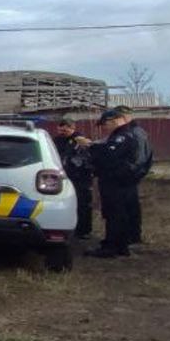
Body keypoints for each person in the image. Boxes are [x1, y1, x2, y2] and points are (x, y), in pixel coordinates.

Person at [82, 107, 152, 258]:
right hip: (121, 181)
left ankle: (113, 247)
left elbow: (110, 157)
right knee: (118, 213)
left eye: (105, 123)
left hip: (117, 181)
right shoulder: (129, 134)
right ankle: (118, 244)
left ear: (114, 120)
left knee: (115, 214)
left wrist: (92, 148)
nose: (104, 127)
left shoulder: (123, 136)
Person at [52, 116, 94, 239]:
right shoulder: (57, 140)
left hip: (80, 177)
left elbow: (87, 158)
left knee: (82, 204)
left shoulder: (80, 140)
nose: (62, 133)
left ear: (72, 128)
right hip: (64, 176)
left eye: (65, 131)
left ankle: (83, 230)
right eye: (60, 130)